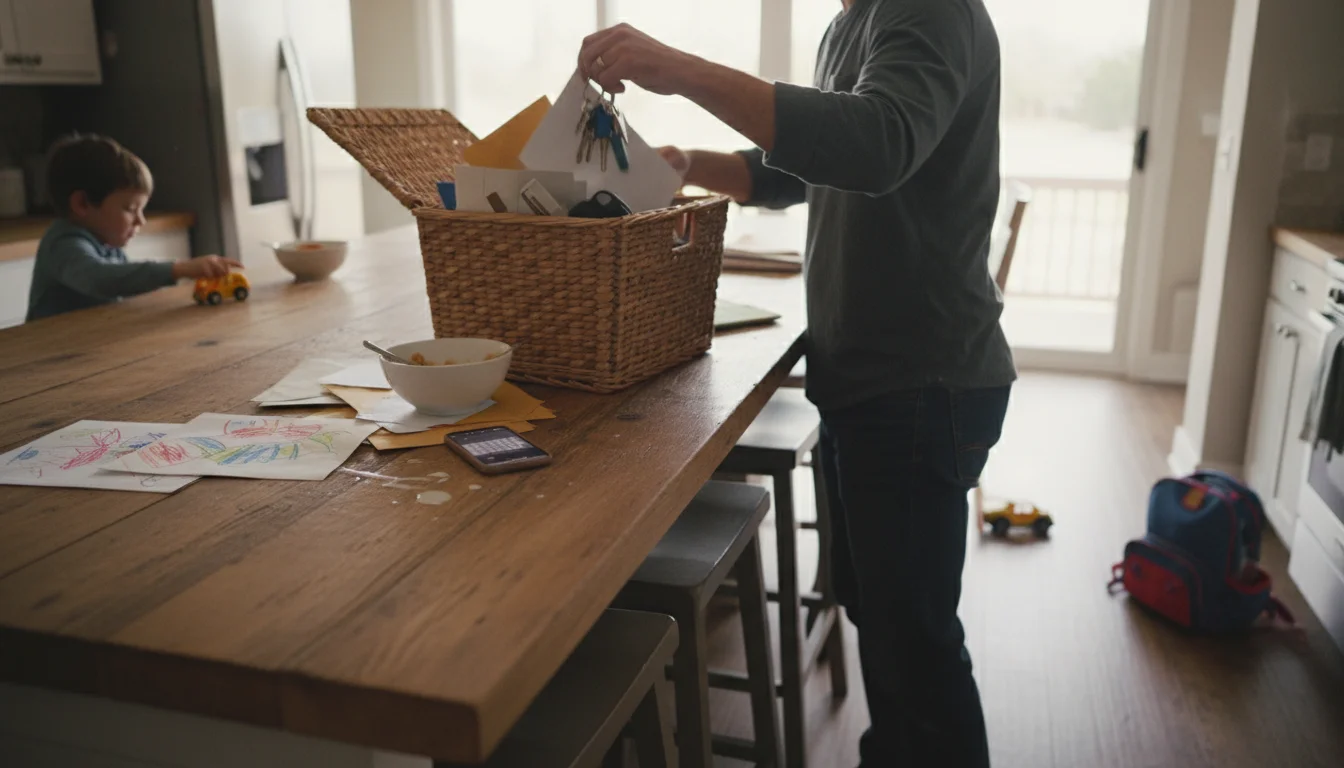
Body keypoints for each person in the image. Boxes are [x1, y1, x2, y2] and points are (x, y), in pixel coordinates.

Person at [579, 1, 1012, 765]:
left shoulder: (929, 6)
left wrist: (679, 70)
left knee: (915, 645)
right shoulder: (851, 23)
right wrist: (689, 164)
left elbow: (879, 144)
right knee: (884, 624)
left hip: (918, 379)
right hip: (870, 376)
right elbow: (814, 166)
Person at [26, 134, 240, 322]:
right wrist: (179, 269)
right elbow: (100, 279)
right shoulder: (63, 244)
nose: (141, 221)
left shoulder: (107, 243)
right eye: (130, 209)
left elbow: (124, 287)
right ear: (82, 204)